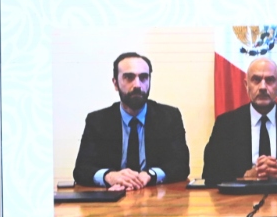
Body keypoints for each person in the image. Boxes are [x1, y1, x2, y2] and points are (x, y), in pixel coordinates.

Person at [73, 52, 190, 189]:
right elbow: (81, 169)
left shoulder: (169, 117)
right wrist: (109, 176)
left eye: (144, 77)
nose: (137, 85)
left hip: (155, 195)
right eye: (129, 77)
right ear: (115, 83)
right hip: (113, 195)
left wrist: (150, 174)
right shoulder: (98, 121)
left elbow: (181, 165)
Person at [202, 58, 277, 183]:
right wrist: (245, 177)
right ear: (246, 85)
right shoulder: (226, 124)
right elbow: (210, 176)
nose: (263, 87)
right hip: (242, 195)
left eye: (270, 80)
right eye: (256, 80)